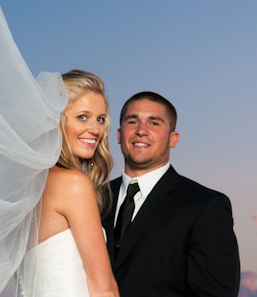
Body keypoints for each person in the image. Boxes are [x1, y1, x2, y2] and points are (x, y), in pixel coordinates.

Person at [101, 91, 240, 296]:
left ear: (173, 139)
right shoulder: (94, 198)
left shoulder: (204, 205)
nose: (141, 130)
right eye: (133, 121)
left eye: (154, 123)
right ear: (120, 135)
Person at [20, 70, 120, 297]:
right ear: (56, 120)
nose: (95, 129)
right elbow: (104, 289)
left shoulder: (25, 187)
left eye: (100, 119)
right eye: (82, 117)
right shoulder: (74, 184)